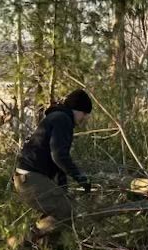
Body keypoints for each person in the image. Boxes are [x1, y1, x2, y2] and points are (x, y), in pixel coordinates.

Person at [13, 89, 93, 240]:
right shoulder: (63, 119)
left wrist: (64, 190)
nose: (84, 118)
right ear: (77, 110)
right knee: (65, 212)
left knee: (61, 210)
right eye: (84, 114)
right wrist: (80, 176)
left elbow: (57, 163)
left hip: (28, 177)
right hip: (30, 179)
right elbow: (59, 156)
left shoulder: (58, 117)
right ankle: (22, 242)